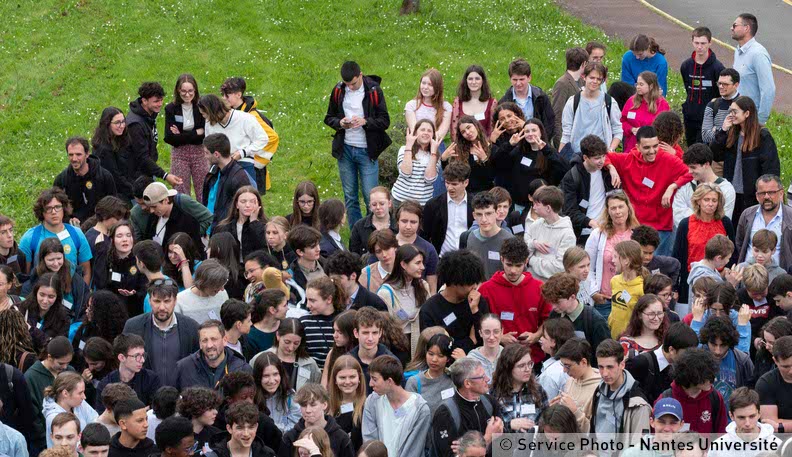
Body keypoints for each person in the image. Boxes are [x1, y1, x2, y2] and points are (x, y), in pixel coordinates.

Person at [323, 61, 392, 229]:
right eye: (347, 84)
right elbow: (328, 117)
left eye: (353, 83)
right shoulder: (339, 90)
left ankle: (373, 231)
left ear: (360, 75)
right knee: (350, 196)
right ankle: (357, 233)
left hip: (367, 151)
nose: (351, 87)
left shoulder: (374, 91)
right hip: (345, 149)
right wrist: (340, 122)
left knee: (371, 197)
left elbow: (384, 121)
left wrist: (365, 122)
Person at [605, 126, 692, 256]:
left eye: (655, 146)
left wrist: (672, 186)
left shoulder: (668, 160)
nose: (652, 151)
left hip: (661, 228)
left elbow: (691, 172)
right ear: (638, 146)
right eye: (647, 148)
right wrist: (611, 167)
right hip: (634, 227)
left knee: (658, 271)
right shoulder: (628, 160)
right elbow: (603, 155)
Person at [479, 237, 550, 362]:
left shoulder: (539, 288)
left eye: (518, 265)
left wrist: (536, 336)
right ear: (501, 259)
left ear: (526, 261)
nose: (513, 270)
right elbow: (479, 323)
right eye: (509, 265)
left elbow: (549, 319)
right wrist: (498, 338)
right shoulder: (486, 290)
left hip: (533, 358)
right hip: (499, 359)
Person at [122, 279, 200, 387]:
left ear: (175, 301)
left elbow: (197, 366)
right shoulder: (133, 327)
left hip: (181, 397)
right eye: (157, 301)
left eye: (167, 301)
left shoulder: (191, 327)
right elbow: (124, 366)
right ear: (149, 301)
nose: (162, 307)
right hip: (145, 397)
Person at [712, 99, 780, 217]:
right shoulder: (732, 133)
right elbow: (715, 155)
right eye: (730, 111)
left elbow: (771, 168)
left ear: (747, 114)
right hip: (732, 192)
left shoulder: (762, 136)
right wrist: (722, 131)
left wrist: (764, 193)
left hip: (752, 195)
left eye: (735, 111)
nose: (731, 115)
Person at [582, 339, 651, 447]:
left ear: (622, 365)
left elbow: (640, 448)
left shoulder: (637, 404)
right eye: (601, 367)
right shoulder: (598, 392)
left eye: (610, 367)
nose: (604, 373)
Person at [673, 184, 736, 303]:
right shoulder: (685, 224)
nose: (710, 204)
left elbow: (733, 252)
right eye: (706, 200)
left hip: (719, 279)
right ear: (698, 201)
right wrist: (675, 286)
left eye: (714, 200)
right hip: (691, 280)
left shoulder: (725, 222)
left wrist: (726, 271)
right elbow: (677, 256)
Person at [430, 358, 503, 457]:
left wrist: (468, 450)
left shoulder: (490, 402)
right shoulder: (446, 413)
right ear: (467, 383)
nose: (487, 379)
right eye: (482, 377)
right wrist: (487, 439)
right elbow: (447, 454)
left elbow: (505, 447)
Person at [584, 191, 641, 319]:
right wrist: (593, 292)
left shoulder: (637, 234)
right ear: (608, 211)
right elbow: (587, 266)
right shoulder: (598, 235)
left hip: (630, 300)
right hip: (604, 300)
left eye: (621, 206)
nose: (617, 211)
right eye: (613, 208)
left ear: (628, 207)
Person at [19, 187, 92, 285]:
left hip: (71, 295)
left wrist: (83, 296)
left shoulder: (76, 234)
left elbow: (86, 272)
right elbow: (25, 276)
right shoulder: (30, 238)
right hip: (41, 297)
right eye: (48, 208)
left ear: (64, 208)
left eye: (57, 207)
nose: (54, 212)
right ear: (42, 211)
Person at [219, 76, 280, 193]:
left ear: (238, 94)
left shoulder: (252, 116)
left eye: (227, 95)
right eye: (223, 94)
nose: (224, 98)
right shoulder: (233, 113)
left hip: (251, 168)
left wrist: (255, 159)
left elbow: (272, 138)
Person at [362, 355, 431, 457]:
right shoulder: (372, 402)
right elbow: (370, 442)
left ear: (389, 381)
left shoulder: (420, 410)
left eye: (374, 379)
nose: (370, 384)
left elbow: (414, 449)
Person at [420, 250, 487, 353]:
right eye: (470, 283)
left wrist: (475, 311)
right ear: (454, 282)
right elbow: (435, 350)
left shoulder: (477, 301)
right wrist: (470, 342)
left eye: (476, 282)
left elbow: (486, 338)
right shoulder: (430, 310)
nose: (474, 287)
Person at [197, 94, 268, 192]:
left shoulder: (245, 118)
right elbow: (210, 147)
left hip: (244, 163)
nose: (204, 117)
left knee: (246, 197)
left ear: (212, 111)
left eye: (204, 114)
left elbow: (263, 139)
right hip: (221, 166)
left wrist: (242, 152)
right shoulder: (209, 124)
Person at [625, 322, 698, 405]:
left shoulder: (682, 368)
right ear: (671, 350)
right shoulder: (641, 363)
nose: (690, 358)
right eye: (686, 354)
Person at [125, 82, 183, 188]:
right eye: (156, 101)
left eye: (161, 100)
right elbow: (142, 157)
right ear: (144, 101)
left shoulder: (149, 116)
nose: (160, 104)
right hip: (136, 179)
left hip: (147, 172)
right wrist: (165, 175)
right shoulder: (135, 125)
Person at [559, 62, 622, 155]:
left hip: (601, 155)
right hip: (577, 155)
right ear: (584, 77)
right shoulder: (573, 102)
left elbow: (618, 130)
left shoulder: (609, 102)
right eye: (592, 78)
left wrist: (611, 150)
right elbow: (566, 133)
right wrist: (561, 155)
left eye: (599, 79)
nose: (595, 81)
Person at [544, 273, 610, 362]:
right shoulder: (554, 315)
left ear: (572, 297)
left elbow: (604, 354)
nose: (553, 307)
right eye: (551, 302)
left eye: (557, 302)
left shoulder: (595, 320)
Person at [659, 347, 727, 434]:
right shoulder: (666, 399)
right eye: (708, 376)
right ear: (693, 376)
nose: (714, 380)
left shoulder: (715, 398)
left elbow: (722, 434)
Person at [561, 135, 614, 243]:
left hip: (608, 230)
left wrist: (612, 167)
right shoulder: (572, 176)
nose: (602, 161)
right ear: (585, 157)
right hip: (584, 232)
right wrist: (590, 222)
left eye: (603, 156)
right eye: (597, 158)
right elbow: (570, 211)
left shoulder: (607, 171)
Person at [278, 383, 355, 457]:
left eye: (313, 405)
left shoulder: (341, 438)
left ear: (324, 405)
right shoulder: (290, 437)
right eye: (303, 405)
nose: (308, 410)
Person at [23, 238, 90, 323]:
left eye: (59, 258)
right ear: (43, 259)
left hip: (70, 324)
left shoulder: (74, 278)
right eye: (51, 260)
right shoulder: (34, 280)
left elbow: (84, 304)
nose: (56, 263)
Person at [213, 372, 283, 452]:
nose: (249, 402)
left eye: (252, 397)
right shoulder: (216, 422)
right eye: (244, 398)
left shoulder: (264, 422)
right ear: (229, 399)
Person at [53, 136, 117, 224]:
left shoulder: (104, 176)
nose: (74, 159)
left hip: (100, 224)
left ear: (87, 154)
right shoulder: (62, 180)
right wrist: (68, 220)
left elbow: (113, 205)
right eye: (71, 155)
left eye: (78, 154)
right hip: (75, 228)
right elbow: (55, 208)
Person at [174, 319, 252, 390]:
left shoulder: (241, 369)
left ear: (225, 340)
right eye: (204, 340)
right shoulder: (184, 368)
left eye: (214, 339)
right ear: (200, 344)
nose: (209, 345)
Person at [164, 73, 207, 200]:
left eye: (190, 91)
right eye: (183, 91)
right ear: (178, 91)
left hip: (199, 153)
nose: (187, 95)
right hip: (179, 154)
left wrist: (181, 136)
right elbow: (170, 138)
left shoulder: (201, 107)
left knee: (203, 189)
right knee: (180, 190)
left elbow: (205, 134)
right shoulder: (171, 109)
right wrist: (196, 133)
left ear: (195, 90)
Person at [131, 177, 212, 244]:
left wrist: (191, 237)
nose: (144, 208)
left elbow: (208, 217)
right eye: (139, 204)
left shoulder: (182, 202)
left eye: (153, 206)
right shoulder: (147, 215)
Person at [680, 27, 725, 146]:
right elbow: (687, 87)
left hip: (708, 118)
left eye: (703, 43)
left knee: (702, 151)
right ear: (692, 42)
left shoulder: (718, 68)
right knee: (691, 149)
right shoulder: (686, 66)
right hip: (690, 115)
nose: (699, 47)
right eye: (696, 43)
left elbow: (721, 94)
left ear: (710, 43)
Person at [674, 144, 736, 229]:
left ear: (706, 164)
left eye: (693, 167)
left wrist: (692, 216)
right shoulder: (686, 187)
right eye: (688, 167)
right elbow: (678, 214)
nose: (690, 171)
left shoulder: (726, 189)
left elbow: (723, 220)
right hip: (689, 237)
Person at [92, 221, 147, 317]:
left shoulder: (140, 260)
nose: (125, 239)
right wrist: (100, 253)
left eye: (128, 235)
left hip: (134, 312)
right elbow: (101, 284)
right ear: (112, 240)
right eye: (119, 236)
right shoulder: (107, 258)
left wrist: (134, 295)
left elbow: (145, 290)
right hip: (111, 312)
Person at [201, 133, 253, 232]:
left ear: (216, 154)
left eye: (207, 153)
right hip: (208, 230)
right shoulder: (214, 171)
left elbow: (244, 210)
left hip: (224, 234)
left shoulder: (239, 177)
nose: (205, 156)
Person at [735, 175, 791, 267]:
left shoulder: (790, 216)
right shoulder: (747, 215)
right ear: (757, 196)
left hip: (780, 277)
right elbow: (740, 243)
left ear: (781, 193)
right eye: (762, 193)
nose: (766, 197)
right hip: (749, 276)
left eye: (771, 192)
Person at [491, 343, 548, 433]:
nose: (527, 369)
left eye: (530, 364)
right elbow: (487, 428)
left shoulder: (538, 390)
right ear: (508, 368)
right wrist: (509, 425)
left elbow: (547, 422)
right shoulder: (493, 393)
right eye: (521, 366)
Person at [253, 318, 321, 393]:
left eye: (296, 343)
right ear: (278, 335)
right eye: (287, 342)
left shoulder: (310, 364)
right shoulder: (259, 358)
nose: (291, 348)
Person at [711, 387, 781, 457]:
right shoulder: (717, 448)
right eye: (741, 417)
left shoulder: (777, 445)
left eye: (752, 416)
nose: (747, 423)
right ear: (731, 416)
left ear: (759, 413)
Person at [421, 162, 473, 256]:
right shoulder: (433, 205)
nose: (449, 188)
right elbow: (424, 235)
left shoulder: (474, 204)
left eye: (454, 184)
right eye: (447, 183)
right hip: (442, 258)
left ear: (466, 182)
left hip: (468, 259)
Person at [96, 334, 160, 410]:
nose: (142, 360)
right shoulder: (104, 385)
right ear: (122, 357)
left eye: (143, 355)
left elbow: (156, 408)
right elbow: (102, 415)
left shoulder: (151, 379)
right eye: (137, 356)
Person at [731, 13, 775, 124]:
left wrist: (760, 121)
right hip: (737, 118)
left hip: (751, 120)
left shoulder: (758, 54)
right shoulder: (738, 51)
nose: (731, 28)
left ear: (746, 28)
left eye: (735, 25)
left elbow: (768, 90)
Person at [524, 186, 575, 281]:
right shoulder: (535, 225)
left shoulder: (567, 235)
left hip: (553, 288)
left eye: (537, 204)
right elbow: (523, 252)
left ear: (548, 208)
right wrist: (533, 243)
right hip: (531, 283)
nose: (533, 207)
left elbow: (559, 267)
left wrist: (531, 260)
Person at [700, 316, 754, 405]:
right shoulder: (697, 361)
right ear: (706, 341)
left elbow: (751, 394)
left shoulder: (742, 361)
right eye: (713, 345)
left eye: (723, 345)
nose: (718, 351)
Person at [551, 338, 602, 430]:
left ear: (583, 362)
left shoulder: (600, 388)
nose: (564, 370)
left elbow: (597, 432)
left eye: (568, 366)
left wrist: (575, 412)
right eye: (563, 365)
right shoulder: (571, 380)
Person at [499, 58, 555, 140]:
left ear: (529, 78)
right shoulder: (504, 101)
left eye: (521, 79)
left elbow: (549, 124)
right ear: (510, 79)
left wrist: (541, 140)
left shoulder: (541, 97)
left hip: (538, 143)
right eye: (514, 80)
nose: (518, 83)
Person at [213, 185, 268, 268]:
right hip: (230, 270)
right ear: (237, 205)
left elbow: (266, 249)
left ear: (258, 205)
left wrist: (254, 223)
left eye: (252, 202)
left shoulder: (266, 227)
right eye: (243, 201)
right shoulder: (223, 228)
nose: (248, 205)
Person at [139, 182, 203, 252]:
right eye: (149, 207)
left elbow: (197, 252)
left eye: (154, 206)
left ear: (166, 200)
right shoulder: (153, 217)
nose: (151, 211)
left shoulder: (188, 222)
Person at [391, 119, 441, 206]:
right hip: (399, 199)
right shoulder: (404, 149)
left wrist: (433, 153)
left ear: (433, 135)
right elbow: (405, 173)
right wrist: (409, 146)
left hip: (422, 203)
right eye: (422, 130)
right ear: (415, 132)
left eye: (429, 131)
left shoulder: (435, 155)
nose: (426, 133)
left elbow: (429, 179)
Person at [300, 277, 347, 370]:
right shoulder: (304, 323)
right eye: (307, 300)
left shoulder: (344, 320)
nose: (308, 305)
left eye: (312, 300)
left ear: (329, 299)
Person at [42, 372, 98, 448]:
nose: (84, 397)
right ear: (65, 393)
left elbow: (96, 423)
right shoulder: (53, 417)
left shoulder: (79, 403)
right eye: (80, 393)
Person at [405, 333, 455, 414]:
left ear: (448, 359)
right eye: (430, 354)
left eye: (440, 356)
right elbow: (408, 414)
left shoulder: (453, 378)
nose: (434, 359)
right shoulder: (414, 382)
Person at [92, 107, 135, 201]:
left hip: (126, 187)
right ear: (107, 124)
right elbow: (116, 177)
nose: (122, 125)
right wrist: (135, 192)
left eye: (123, 121)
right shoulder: (104, 149)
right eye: (117, 122)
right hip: (115, 196)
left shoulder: (120, 139)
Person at [621, 71, 670, 153]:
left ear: (651, 86)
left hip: (652, 149)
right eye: (637, 84)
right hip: (632, 147)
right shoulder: (631, 101)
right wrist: (631, 129)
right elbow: (622, 121)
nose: (638, 87)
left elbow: (666, 128)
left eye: (641, 84)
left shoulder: (662, 104)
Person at [252, 353, 301, 433]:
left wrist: (274, 429)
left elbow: (296, 426)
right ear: (258, 377)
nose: (271, 381)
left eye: (275, 374)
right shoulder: (252, 397)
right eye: (266, 376)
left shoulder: (289, 395)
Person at [621, 397, 685, 457]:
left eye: (673, 423)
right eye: (661, 422)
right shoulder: (632, 454)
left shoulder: (689, 454)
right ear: (652, 422)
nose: (667, 428)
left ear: (681, 425)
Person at [404, 68, 452, 147]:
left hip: (436, 144)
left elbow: (441, 133)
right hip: (417, 144)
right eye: (423, 83)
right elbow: (415, 130)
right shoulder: (411, 105)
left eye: (430, 85)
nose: (425, 87)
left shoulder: (446, 108)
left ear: (437, 87)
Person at [551, 47, 589, 146]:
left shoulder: (582, 81)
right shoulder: (562, 83)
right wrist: (560, 144)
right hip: (566, 139)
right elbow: (557, 115)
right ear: (583, 64)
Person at [327, 355, 366, 450]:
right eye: (342, 377)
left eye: (352, 377)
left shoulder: (367, 405)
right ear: (335, 380)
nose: (347, 382)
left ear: (359, 378)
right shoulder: (326, 406)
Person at [450, 65, 498, 141]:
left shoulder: (492, 103)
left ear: (483, 81)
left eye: (477, 79)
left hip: (484, 148)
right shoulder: (458, 102)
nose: (473, 82)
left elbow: (492, 131)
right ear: (466, 81)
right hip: (462, 148)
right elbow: (454, 130)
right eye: (470, 79)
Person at [211, 401, 276, 457]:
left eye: (251, 427)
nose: (246, 434)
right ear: (229, 428)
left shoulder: (267, 454)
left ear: (256, 427)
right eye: (240, 428)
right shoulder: (214, 454)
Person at [175, 259, 229, 324]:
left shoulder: (223, 294)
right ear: (204, 282)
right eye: (218, 286)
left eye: (223, 284)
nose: (222, 289)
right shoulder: (180, 300)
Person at [19, 272, 72, 339]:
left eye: (51, 296)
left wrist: (33, 331)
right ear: (36, 292)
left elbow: (58, 346)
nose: (45, 301)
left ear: (57, 296)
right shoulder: (21, 308)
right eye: (42, 295)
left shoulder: (63, 318)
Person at [756, 335, 792, 432]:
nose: (791, 371)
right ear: (775, 361)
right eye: (786, 367)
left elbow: (776, 426)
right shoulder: (766, 383)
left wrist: (782, 426)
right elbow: (770, 424)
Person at [631, 225, 681, 295]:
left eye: (651, 253)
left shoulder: (661, 262)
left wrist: (672, 289)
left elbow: (676, 264)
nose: (648, 257)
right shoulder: (629, 265)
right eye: (644, 253)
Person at [349, 187, 396, 257]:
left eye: (382, 204)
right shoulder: (359, 226)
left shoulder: (398, 224)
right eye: (374, 204)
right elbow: (353, 253)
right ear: (370, 206)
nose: (378, 207)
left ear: (389, 203)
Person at [702, 68, 741, 146]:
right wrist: (723, 130)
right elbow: (705, 136)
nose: (721, 86)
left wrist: (716, 130)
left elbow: (743, 135)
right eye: (719, 83)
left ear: (736, 85)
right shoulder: (712, 105)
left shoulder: (744, 105)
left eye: (725, 84)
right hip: (716, 154)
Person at [538, 318, 576, 399]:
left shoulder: (550, 374)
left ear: (554, 342)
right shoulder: (574, 363)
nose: (540, 339)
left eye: (544, 336)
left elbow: (546, 404)